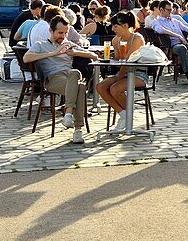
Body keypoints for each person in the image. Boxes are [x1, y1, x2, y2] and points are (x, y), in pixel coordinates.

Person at [24, 16, 96, 144]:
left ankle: (68, 114)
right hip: (54, 79)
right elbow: (26, 58)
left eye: (66, 32)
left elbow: (93, 56)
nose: (63, 36)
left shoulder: (68, 44)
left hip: (70, 77)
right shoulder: (41, 45)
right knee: (80, 88)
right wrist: (54, 53)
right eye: (60, 32)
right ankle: (77, 131)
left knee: (75, 74)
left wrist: (75, 53)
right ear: (51, 31)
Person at [95, 10, 147, 132]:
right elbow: (118, 60)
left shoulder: (137, 38)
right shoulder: (115, 40)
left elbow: (128, 60)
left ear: (125, 26)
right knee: (100, 87)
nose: (113, 29)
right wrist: (106, 56)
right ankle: (124, 114)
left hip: (138, 73)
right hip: (123, 73)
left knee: (115, 88)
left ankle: (128, 117)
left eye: (115, 26)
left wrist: (118, 76)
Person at [150, 0, 188, 83]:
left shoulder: (175, 21)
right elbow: (161, 30)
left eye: (171, 9)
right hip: (172, 46)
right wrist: (178, 36)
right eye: (169, 10)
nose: (171, 12)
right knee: (182, 48)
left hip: (185, 43)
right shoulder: (156, 22)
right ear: (162, 10)